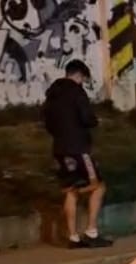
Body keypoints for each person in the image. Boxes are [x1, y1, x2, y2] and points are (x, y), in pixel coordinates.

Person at [42, 59, 112, 249]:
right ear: (79, 75)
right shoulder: (76, 91)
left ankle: (73, 237)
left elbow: (47, 122)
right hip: (79, 148)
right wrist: (94, 121)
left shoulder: (52, 94)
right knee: (98, 186)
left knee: (70, 191)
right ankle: (91, 231)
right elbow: (87, 117)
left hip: (60, 148)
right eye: (83, 78)